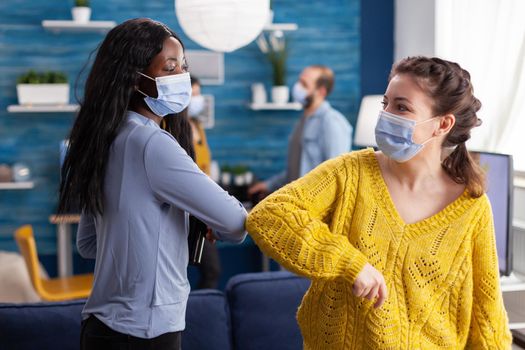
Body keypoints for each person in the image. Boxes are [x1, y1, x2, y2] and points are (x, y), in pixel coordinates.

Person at [246, 56, 512, 348]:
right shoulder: (350, 172)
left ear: (443, 124)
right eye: (385, 104)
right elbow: (269, 216)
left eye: (402, 107)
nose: (386, 114)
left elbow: (487, 318)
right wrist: (350, 263)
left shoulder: (472, 207)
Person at [58, 18, 247, 350]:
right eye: (169, 68)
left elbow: (89, 245)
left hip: (101, 328)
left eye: (183, 67)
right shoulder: (152, 145)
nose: (181, 78)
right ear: (135, 79)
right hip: (145, 332)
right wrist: (198, 214)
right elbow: (235, 223)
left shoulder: (105, 139)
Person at [248, 65, 352, 199]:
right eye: (299, 82)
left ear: (321, 92)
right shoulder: (303, 121)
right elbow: (295, 170)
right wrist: (268, 185)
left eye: (304, 84)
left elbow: (336, 175)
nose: (297, 87)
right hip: (297, 203)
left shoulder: (332, 122)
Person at [164, 76, 221, 289]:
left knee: (211, 270)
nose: (196, 100)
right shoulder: (170, 128)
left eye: (198, 94)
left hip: (202, 206)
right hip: (186, 208)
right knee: (203, 269)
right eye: (192, 95)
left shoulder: (197, 125)